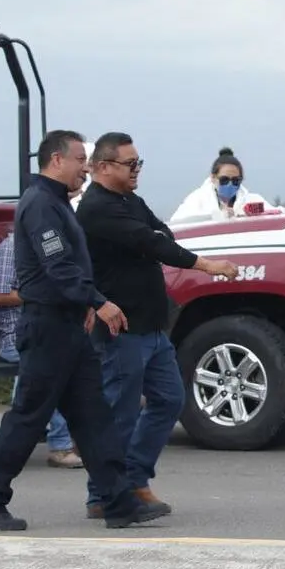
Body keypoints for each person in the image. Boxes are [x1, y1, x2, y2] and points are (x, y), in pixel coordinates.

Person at [0, 129, 168, 531]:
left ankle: (116, 502)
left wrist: (84, 305)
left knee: (93, 417)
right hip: (47, 328)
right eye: (79, 160)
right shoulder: (41, 205)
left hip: (70, 326)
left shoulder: (58, 204)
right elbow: (58, 268)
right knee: (27, 417)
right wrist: (97, 301)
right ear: (57, 160)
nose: (85, 169)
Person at [77, 132, 239, 519]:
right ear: (101, 167)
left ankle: (133, 479)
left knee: (169, 399)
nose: (137, 171)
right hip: (121, 330)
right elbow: (151, 242)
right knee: (120, 412)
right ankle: (104, 495)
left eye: (139, 163)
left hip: (151, 325)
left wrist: (154, 239)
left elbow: (159, 232)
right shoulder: (97, 208)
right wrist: (206, 265)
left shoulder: (128, 201)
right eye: (129, 164)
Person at [0, 191, 84, 470]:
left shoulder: (46, 248)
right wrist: (40, 295)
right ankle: (61, 445)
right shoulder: (9, 249)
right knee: (50, 380)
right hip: (18, 334)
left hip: (46, 327)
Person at [168, 148, 275, 225]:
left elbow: (278, 214)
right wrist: (219, 216)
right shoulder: (197, 199)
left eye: (235, 180)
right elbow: (177, 223)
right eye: (224, 180)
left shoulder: (252, 199)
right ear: (213, 178)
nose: (230, 184)